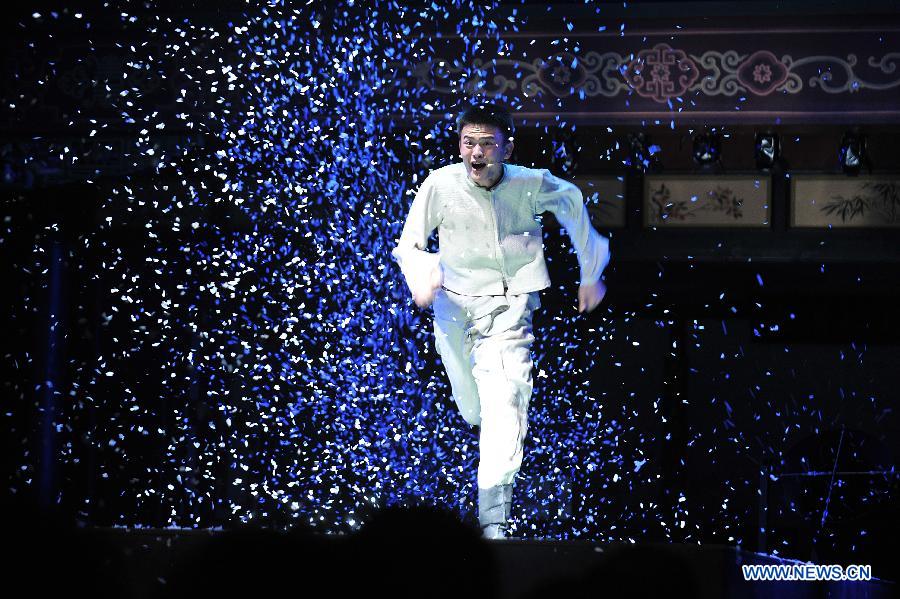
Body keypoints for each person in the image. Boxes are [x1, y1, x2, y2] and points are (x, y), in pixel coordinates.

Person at [391, 103, 610, 539]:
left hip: (509, 311)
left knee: (505, 404)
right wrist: (422, 273)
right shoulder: (440, 184)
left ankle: (494, 524)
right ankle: (480, 423)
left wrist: (591, 273)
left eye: (487, 144)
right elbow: (409, 244)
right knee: (473, 408)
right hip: (454, 308)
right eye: (468, 143)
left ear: (507, 147)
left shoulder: (531, 184)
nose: (476, 153)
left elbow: (572, 204)